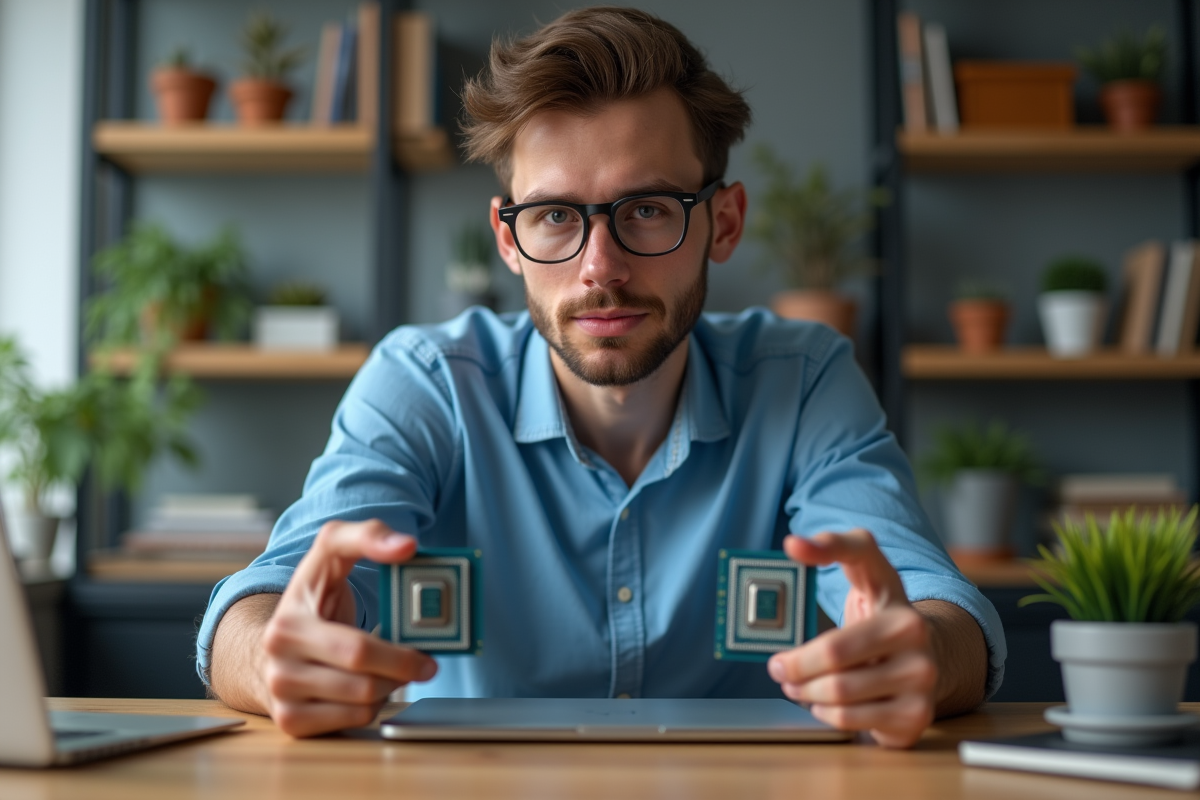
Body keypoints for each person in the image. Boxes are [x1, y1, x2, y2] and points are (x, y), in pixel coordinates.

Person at [200, 6, 1005, 748]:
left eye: (647, 209)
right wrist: (272, 658)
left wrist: (923, 657)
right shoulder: (426, 381)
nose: (600, 268)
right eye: (555, 216)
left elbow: (941, 613)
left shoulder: (802, 380)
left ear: (722, 222)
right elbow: (261, 604)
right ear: (508, 241)